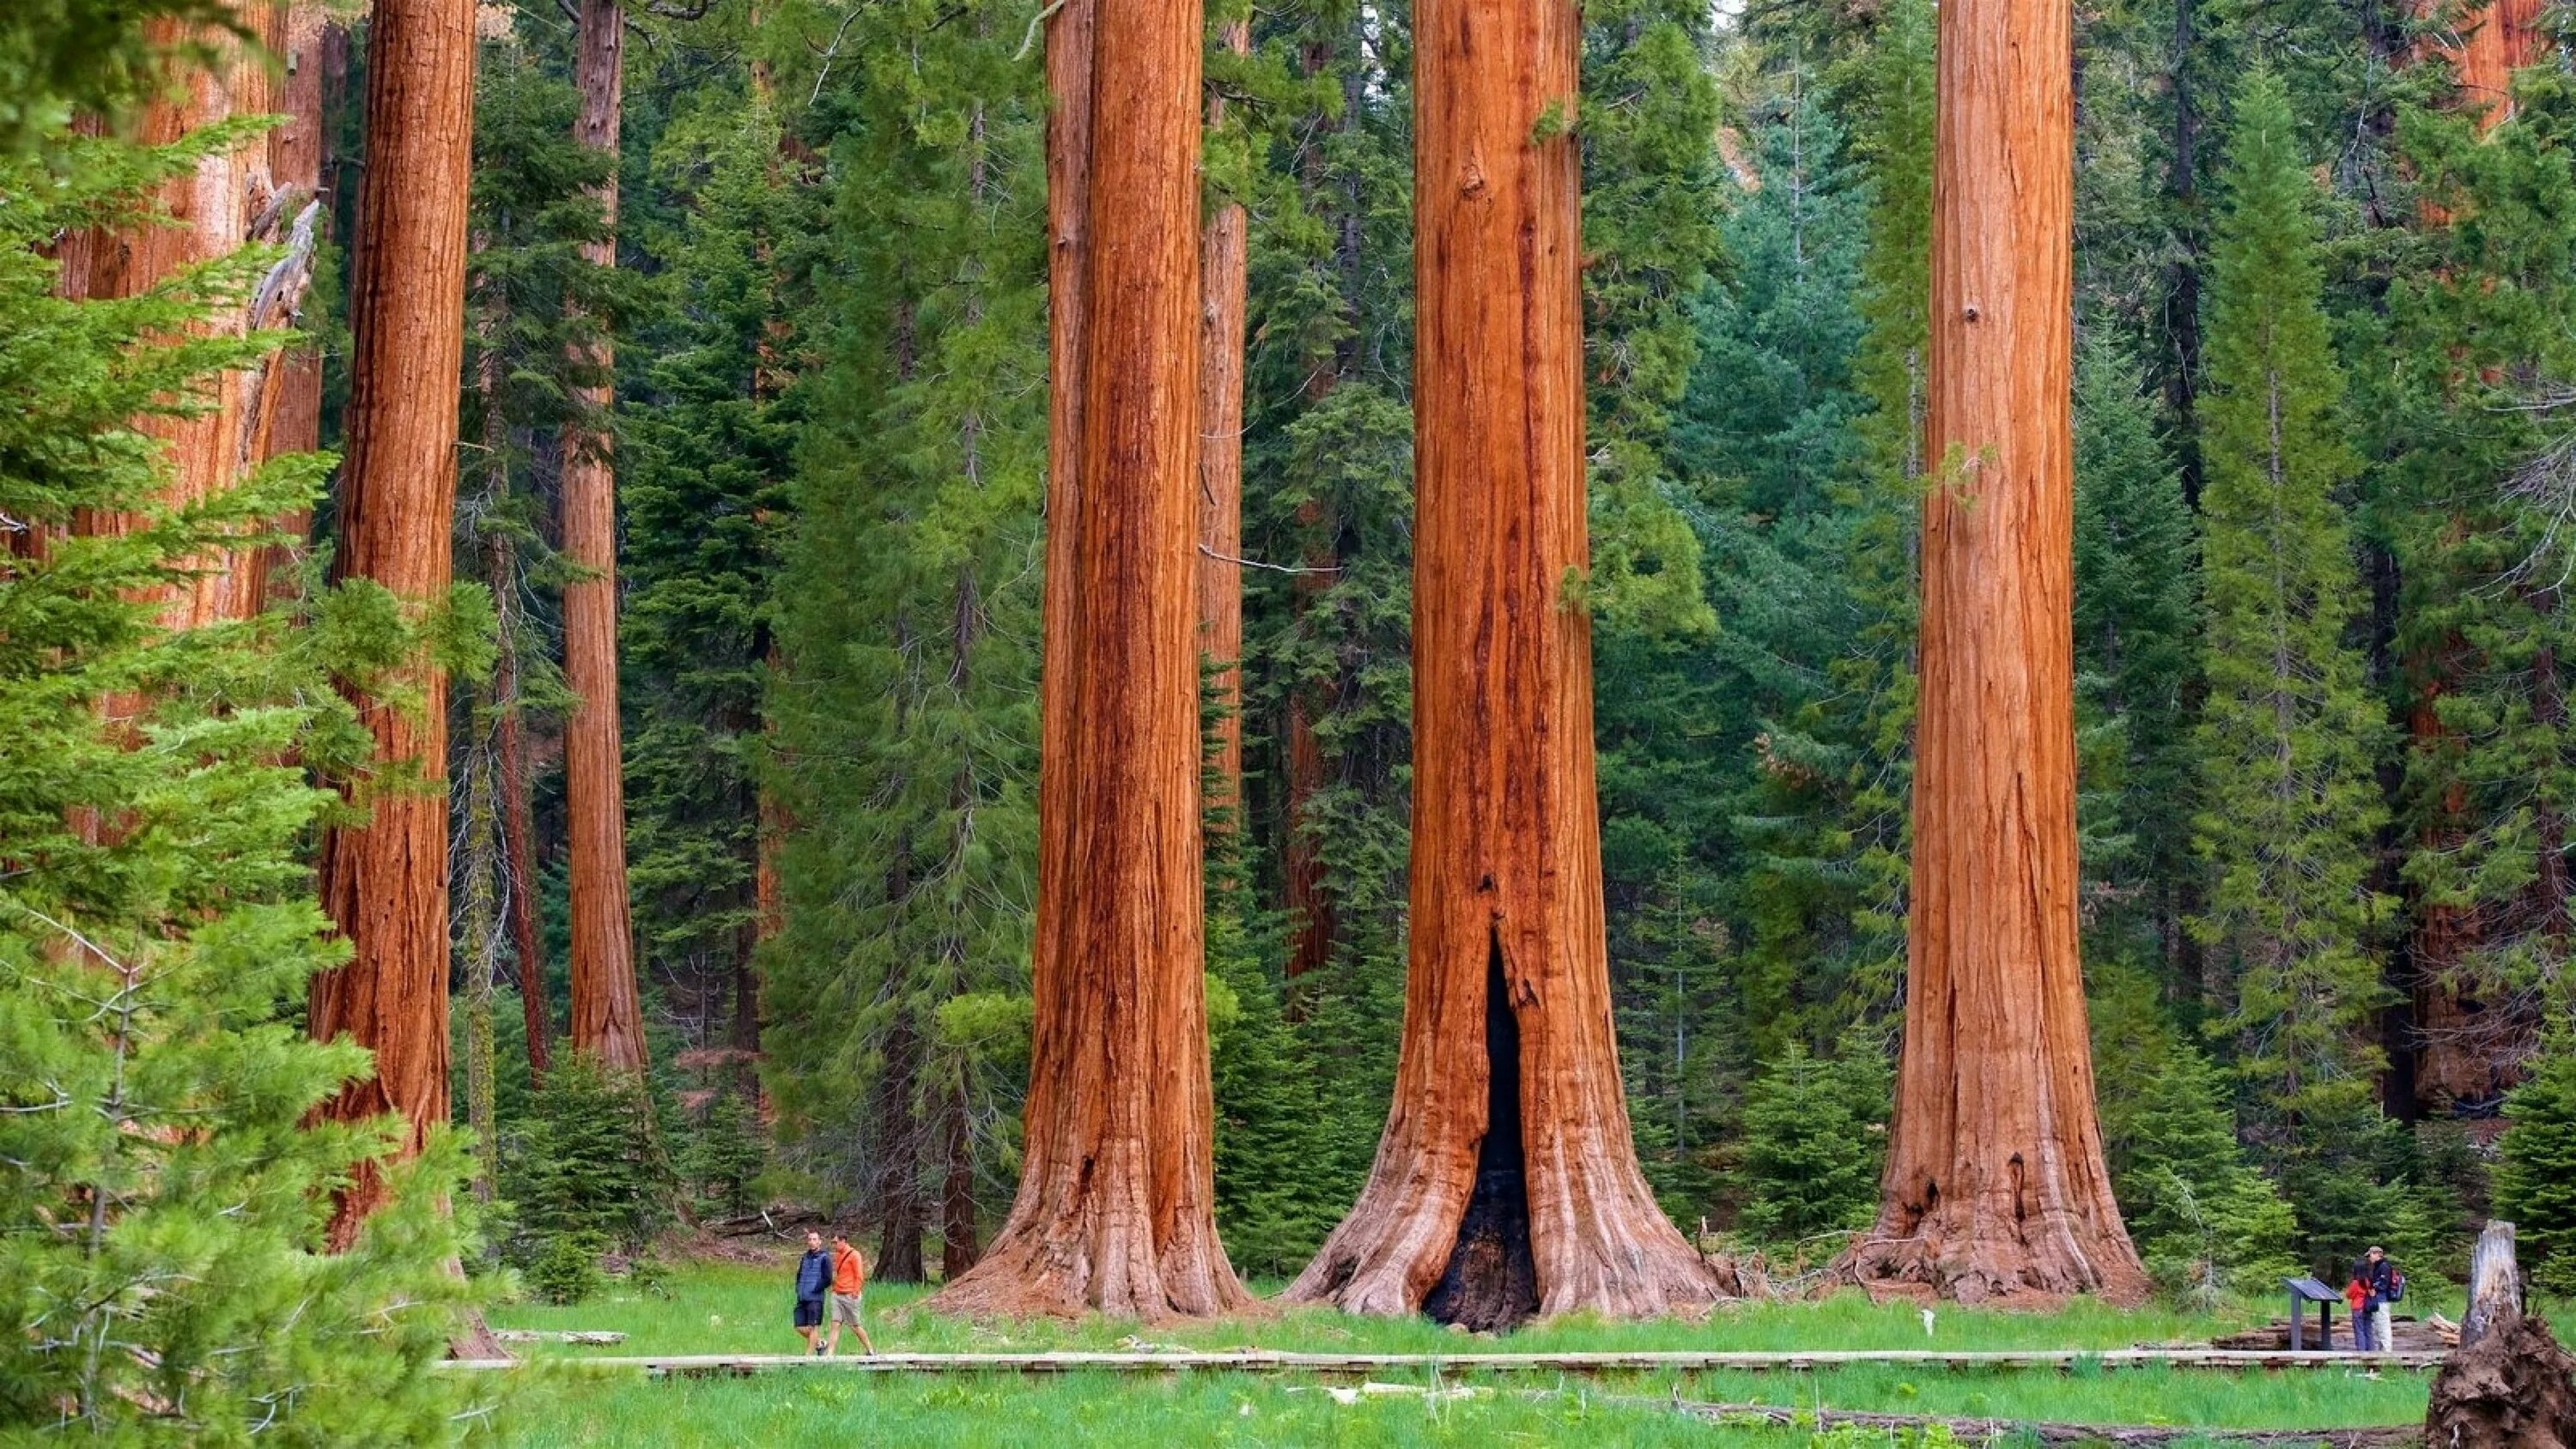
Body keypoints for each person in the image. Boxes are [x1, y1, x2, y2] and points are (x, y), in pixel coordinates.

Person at [824, 1234, 876, 1356]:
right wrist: (834, 1288)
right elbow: (838, 1273)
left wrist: (855, 1291)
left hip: (850, 1295)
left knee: (854, 1325)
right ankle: (830, 1354)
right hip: (837, 1294)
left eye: (836, 1242)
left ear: (843, 1241)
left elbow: (859, 1275)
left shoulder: (854, 1255)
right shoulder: (837, 1256)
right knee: (835, 1323)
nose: (834, 1245)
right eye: (833, 1242)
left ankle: (870, 1349)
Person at [2354, 1246, 2401, 1354]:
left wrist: (2373, 1287)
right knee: (2378, 1327)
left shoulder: (2384, 1266)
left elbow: (2384, 1283)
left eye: (2370, 1255)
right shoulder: (2378, 1266)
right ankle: (2382, 1350)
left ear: (2376, 1254)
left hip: (2381, 1301)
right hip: (2378, 1301)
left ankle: (2386, 1351)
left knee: (2383, 1326)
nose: (2369, 1258)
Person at [793, 1230, 832, 1355]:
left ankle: (807, 1357)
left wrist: (815, 1289)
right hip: (802, 1296)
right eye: (810, 1239)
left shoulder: (825, 1258)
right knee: (799, 1326)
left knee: (813, 1327)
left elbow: (828, 1278)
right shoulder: (805, 1257)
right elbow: (799, 1274)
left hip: (815, 1298)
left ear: (820, 1242)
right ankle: (820, 1343)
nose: (812, 1242)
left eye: (815, 1239)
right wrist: (798, 1288)